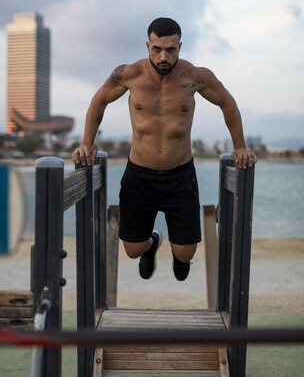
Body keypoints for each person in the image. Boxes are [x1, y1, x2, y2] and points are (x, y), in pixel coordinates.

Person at [72, 17, 257, 281]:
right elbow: (99, 101)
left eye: (170, 49)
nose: (163, 56)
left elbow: (227, 103)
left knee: (185, 253)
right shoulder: (128, 74)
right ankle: (152, 244)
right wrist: (87, 143)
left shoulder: (195, 77)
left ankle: (179, 256)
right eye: (157, 49)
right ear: (147, 45)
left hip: (180, 174)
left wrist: (240, 147)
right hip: (139, 174)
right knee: (133, 250)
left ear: (180, 47)